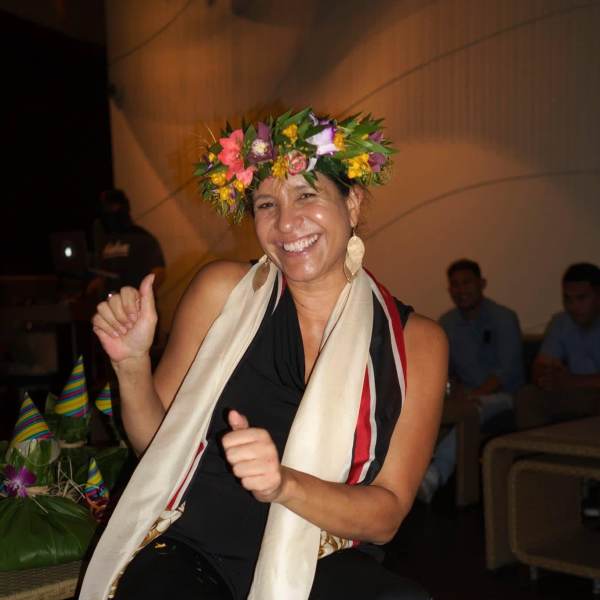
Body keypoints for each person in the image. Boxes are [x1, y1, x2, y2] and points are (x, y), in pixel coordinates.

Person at [80, 109, 447, 600]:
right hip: (193, 549)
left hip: (321, 557)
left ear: (353, 202)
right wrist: (131, 364)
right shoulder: (222, 292)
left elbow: (386, 516)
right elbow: (155, 445)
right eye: (266, 204)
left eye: (307, 195)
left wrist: (283, 486)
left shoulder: (415, 342)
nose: (286, 223)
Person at [418, 259, 524, 503]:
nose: (460, 290)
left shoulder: (504, 318)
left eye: (466, 283)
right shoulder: (447, 322)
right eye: (455, 285)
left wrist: (473, 395)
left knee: (471, 409)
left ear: (482, 284)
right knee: (422, 407)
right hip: (467, 394)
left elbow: (506, 372)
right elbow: (444, 369)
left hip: (507, 397)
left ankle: (434, 474)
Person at [516, 262, 600, 429]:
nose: (574, 306)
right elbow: (540, 366)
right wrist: (546, 378)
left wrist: (571, 381)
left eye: (581, 298)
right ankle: (533, 446)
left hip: (591, 391)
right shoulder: (561, 322)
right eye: (568, 299)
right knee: (527, 396)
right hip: (574, 392)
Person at [87, 189, 166, 298]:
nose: (111, 211)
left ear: (123, 207)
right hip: (113, 302)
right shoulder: (106, 241)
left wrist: (142, 296)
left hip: (136, 302)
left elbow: (159, 272)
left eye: (114, 206)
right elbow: (103, 274)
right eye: (107, 207)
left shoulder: (143, 237)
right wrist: (97, 284)